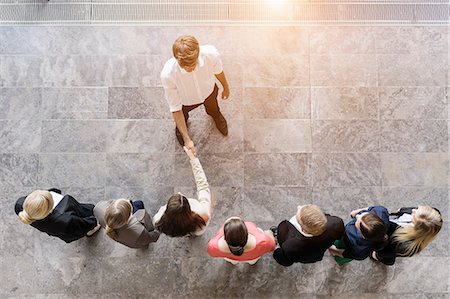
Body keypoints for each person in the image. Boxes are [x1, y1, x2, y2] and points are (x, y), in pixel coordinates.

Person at [160, 35, 230, 154]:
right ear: (176, 59)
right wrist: (187, 140)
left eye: (193, 64)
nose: (190, 68)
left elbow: (219, 71)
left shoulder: (211, 54)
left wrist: (226, 87)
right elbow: (175, 109)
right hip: (185, 101)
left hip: (209, 92)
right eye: (186, 66)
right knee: (183, 114)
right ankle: (182, 129)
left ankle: (216, 116)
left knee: (213, 108)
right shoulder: (168, 75)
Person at [153, 146, 211, 237]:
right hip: (196, 229)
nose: (180, 193)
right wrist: (193, 159)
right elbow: (203, 186)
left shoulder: (159, 220)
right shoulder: (203, 215)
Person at [14, 188, 100, 243]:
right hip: (69, 225)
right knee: (83, 224)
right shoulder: (65, 219)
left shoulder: (19, 205)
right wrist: (93, 222)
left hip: (58, 229)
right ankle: (90, 231)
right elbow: (83, 225)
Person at [272, 204, 345, 266]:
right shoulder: (336, 223)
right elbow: (339, 236)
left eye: (298, 217)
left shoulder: (291, 245)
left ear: (304, 230)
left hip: (304, 255)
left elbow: (286, 261)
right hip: (316, 254)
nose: (299, 207)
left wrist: (276, 249)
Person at [372, 205, 442, 265]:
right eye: (417, 208)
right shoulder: (430, 215)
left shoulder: (406, 245)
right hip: (391, 225)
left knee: (385, 257)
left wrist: (377, 254)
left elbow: (387, 252)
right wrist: (401, 210)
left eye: (414, 214)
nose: (413, 210)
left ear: (416, 227)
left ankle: (382, 259)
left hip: (386, 247)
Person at [94, 198, 160, 248]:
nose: (129, 200)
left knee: (139, 203)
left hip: (132, 237)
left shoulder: (98, 208)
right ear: (127, 220)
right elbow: (152, 237)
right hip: (139, 240)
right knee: (139, 204)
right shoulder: (138, 232)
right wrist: (160, 226)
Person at [208, 217, 276, 265]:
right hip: (252, 257)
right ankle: (252, 263)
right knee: (252, 262)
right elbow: (272, 246)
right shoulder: (263, 241)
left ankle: (234, 263)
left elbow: (212, 253)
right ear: (246, 232)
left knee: (232, 261)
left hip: (231, 258)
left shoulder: (213, 245)